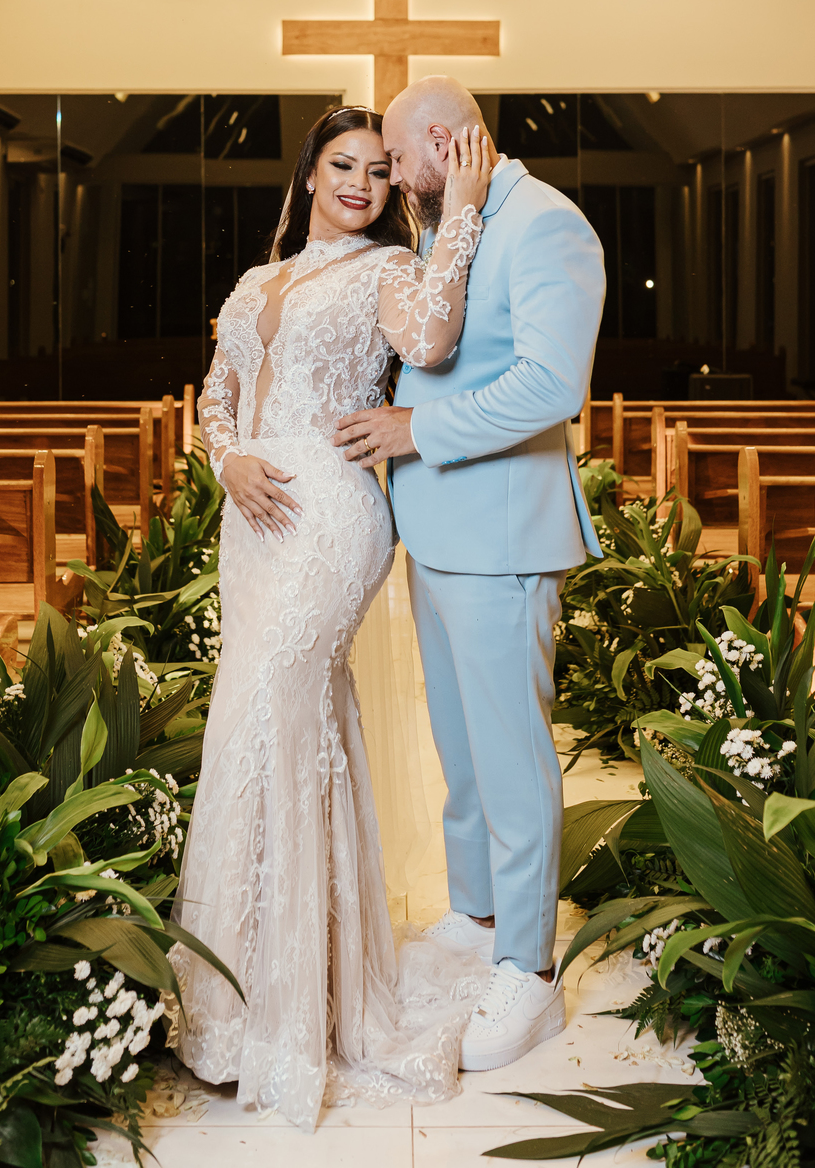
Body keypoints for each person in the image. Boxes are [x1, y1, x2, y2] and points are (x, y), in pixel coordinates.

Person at [167, 104, 494, 1131]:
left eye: (378, 171)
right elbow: (215, 394)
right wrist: (226, 459)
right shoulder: (257, 281)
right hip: (253, 519)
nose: (360, 182)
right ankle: (244, 997)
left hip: (332, 520)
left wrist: (467, 211)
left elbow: (435, 336)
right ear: (309, 173)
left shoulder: (390, 272)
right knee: (253, 730)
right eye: (342, 164)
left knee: (278, 715)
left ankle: (296, 1018)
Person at [334, 77, 606, 1073]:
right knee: (460, 746)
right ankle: (477, 908)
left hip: (504, 534)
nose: (393, 181)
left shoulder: (545, 225)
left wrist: (416, 429)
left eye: (400, 161)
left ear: (442, 142)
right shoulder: (458, 219)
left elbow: (547, 384)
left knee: (513, 753)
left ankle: (528, 972)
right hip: (438, 530)